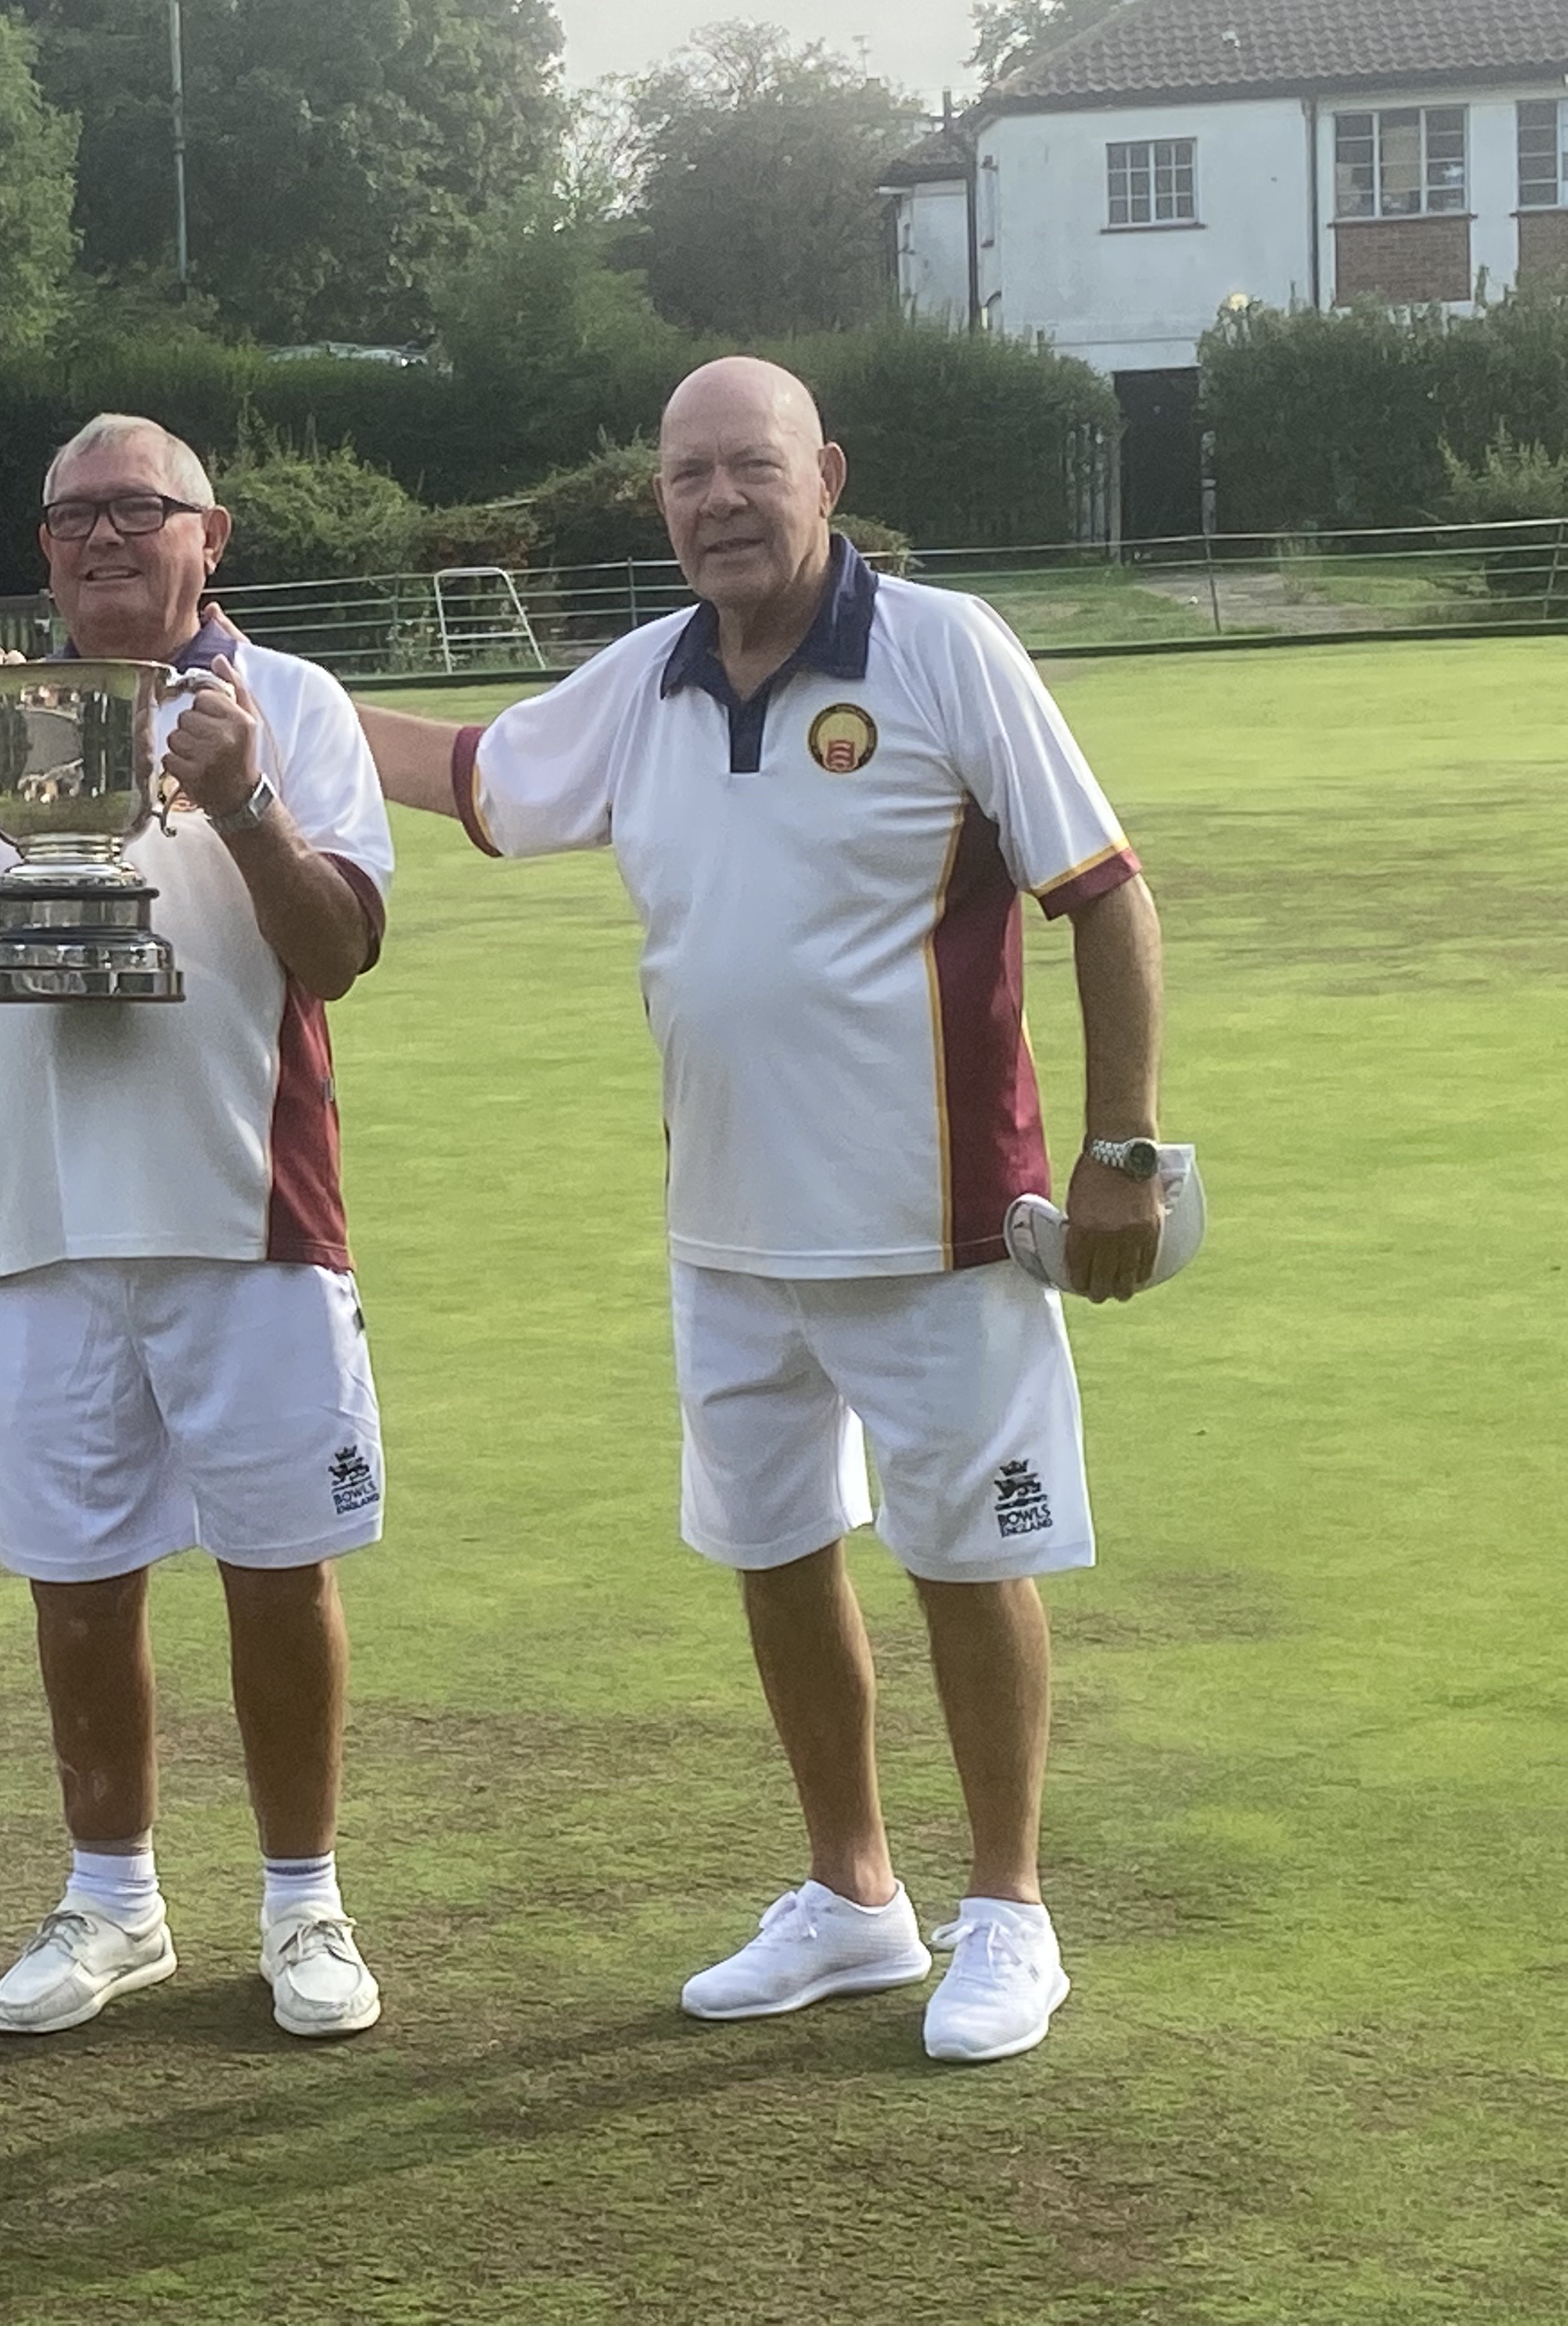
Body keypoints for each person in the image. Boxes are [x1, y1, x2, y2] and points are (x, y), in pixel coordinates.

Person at [356, 356, 1167, 2064]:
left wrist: (1125, 1148)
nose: (718, 500)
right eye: (686, 476)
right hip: (725, 1229)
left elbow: (1104, 896)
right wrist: (251, 691)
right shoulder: (647, 680)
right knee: (776, 1555)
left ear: (828, 476)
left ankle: (1009, 1910)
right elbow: (472, 775)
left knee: (968, 1561)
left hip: (935, 1223)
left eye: (750, 467)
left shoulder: (945, 650)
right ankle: (853, 1896)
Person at [0, 414, 396, 2039]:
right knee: (79, 1584)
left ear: (209, 534)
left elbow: (339, 949)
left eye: (139, 510)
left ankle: (305, 1909)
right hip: (43, 1228)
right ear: (44, 549)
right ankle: (113, 1902)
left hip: (253, 1220)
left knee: (275, 1571)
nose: (107, 537)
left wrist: (245, 800)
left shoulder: (293, 705)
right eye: (77, 517)